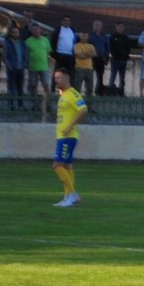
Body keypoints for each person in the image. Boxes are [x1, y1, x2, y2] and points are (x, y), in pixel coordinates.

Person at [50, 67, 88, 207]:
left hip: (68, 136)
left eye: (59, 78)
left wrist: (70, 126)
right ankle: (68, 197)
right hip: (62, 136)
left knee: (57, 165)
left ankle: (72, 195)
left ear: (66, 78)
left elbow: (83, 110)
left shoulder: (73, 94)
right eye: (55, 78)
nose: (56, 81)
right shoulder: (63, 94)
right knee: (66, 165)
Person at [25, 23, 53, 106]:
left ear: (40, 30)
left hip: (44, 67)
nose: (36, 31)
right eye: (34, 29)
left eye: (37, 29)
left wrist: (48, 65)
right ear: (31, 31)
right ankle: (34, 104)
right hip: (32, 68)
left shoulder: (45, 40)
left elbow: (48, 53)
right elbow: (25, 55)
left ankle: (47, 103)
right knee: (33, 86)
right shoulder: (27, 41)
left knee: (46, 86)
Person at [106, 22, 131, 95]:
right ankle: (110, 91)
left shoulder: (125, 37)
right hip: (115, 60)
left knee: (122, 77)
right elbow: (110, 48)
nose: (120, 28)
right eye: (119, 26)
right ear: (116, 27)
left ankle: (121, 92)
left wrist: (126, 56)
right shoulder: (113, 37)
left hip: (124, 60)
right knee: (113, 75)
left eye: (122, 27)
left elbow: (128, 48)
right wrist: (115, 55)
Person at [73, 30, 96, 95]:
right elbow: (79, 56)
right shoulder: (77, 45)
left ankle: (89, 103)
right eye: (83, 36)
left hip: (89, 69)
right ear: (80, 37)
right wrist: (89, 54)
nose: (84, 37)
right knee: (77, 87)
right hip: (79, 68)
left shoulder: (91, 46)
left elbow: (94, 54)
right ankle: (76, 103)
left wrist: (84, 53)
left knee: (90, 88)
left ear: (88, 37)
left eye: (85, 36)